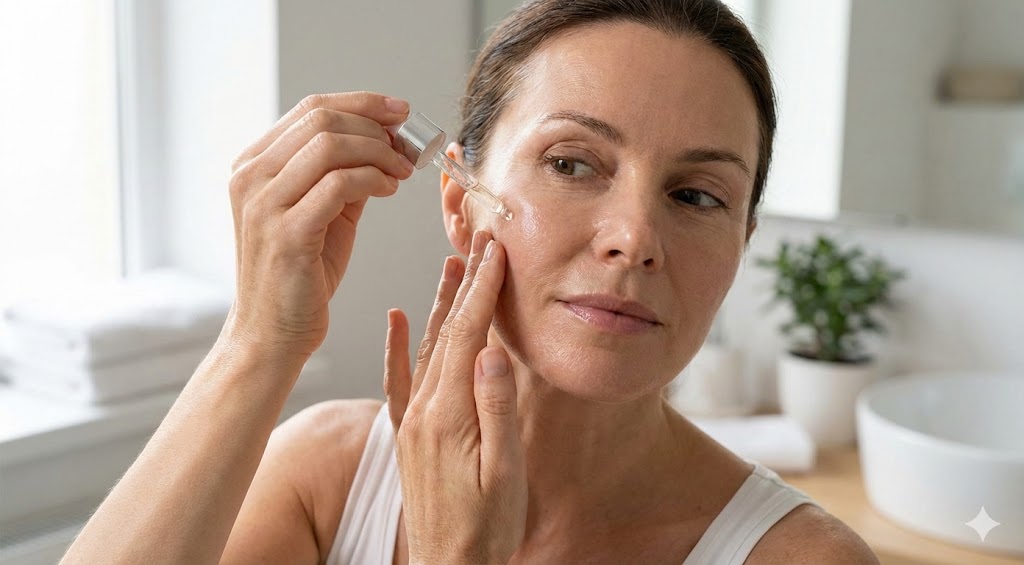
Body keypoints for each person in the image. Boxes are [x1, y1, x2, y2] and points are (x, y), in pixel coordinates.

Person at [62, 0, 879, 563]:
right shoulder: (328, 480)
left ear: (741, 241)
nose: (635, 238)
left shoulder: (799, 556)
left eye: (697, 195)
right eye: (571, 163)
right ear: (461, 202)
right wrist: (257, 341)